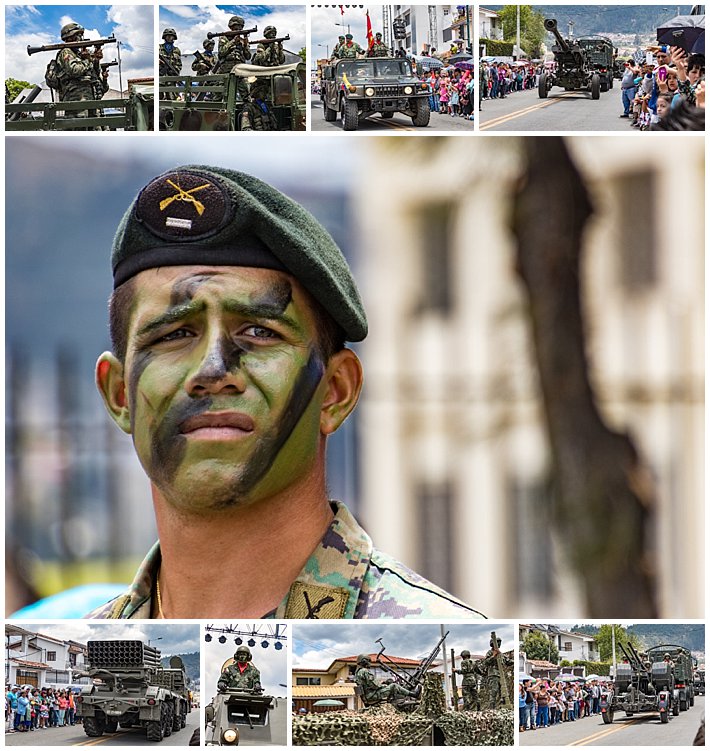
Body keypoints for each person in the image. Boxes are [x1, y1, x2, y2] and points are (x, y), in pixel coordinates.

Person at [27, 166, 484, 621]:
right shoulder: (64, 659)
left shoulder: (442, 644)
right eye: (173, 334)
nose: (213, 371)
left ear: (336, 391)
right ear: (119, 394)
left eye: (258, 331)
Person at [54, 22, 100, 118]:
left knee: (93, 128)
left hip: (88, 98)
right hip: (75, 99)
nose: (80, 38)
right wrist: (87, 60)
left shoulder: (79, 54)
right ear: (70, 37)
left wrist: (95, 60)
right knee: (79, 128)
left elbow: (94, 75)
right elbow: (74, 70)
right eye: (78, 35)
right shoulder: (66, 52)